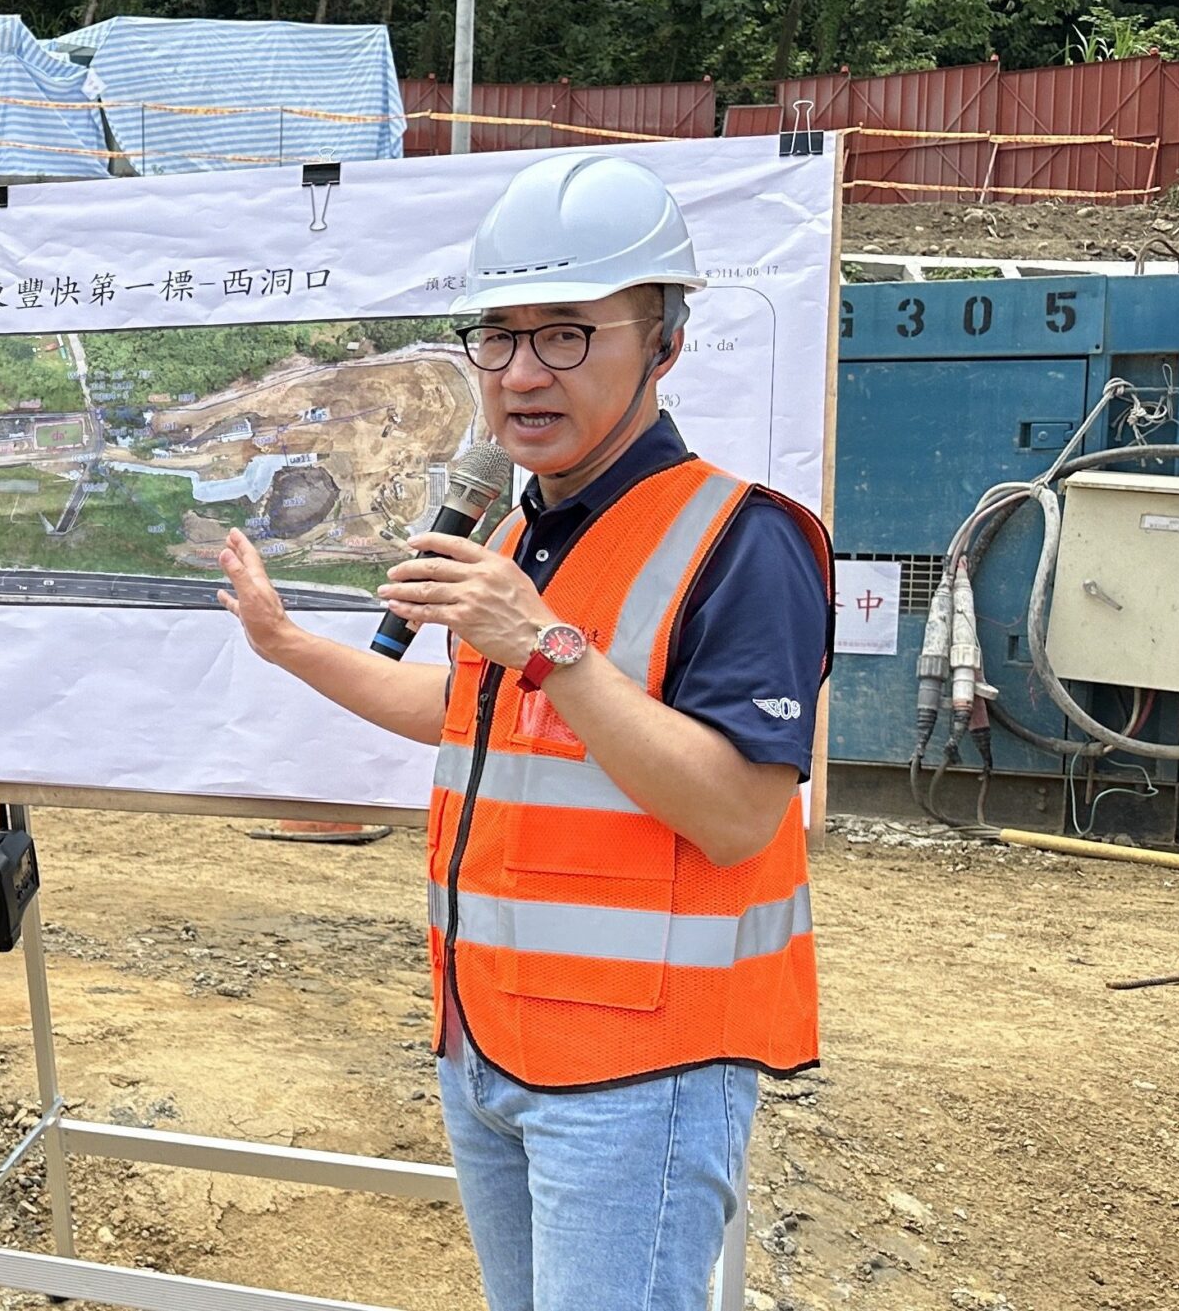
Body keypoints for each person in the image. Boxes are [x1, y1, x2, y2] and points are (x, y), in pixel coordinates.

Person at [216, 154, 833, 1311]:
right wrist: (286, 643)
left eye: (564, 334)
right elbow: (464, 711)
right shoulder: (512, 535)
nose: (519, 373)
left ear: (663, 342)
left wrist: (549, 648)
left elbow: (736, 814)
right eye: (495, 337)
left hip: (637, 1068)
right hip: (486, 1040)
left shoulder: (742, 541)